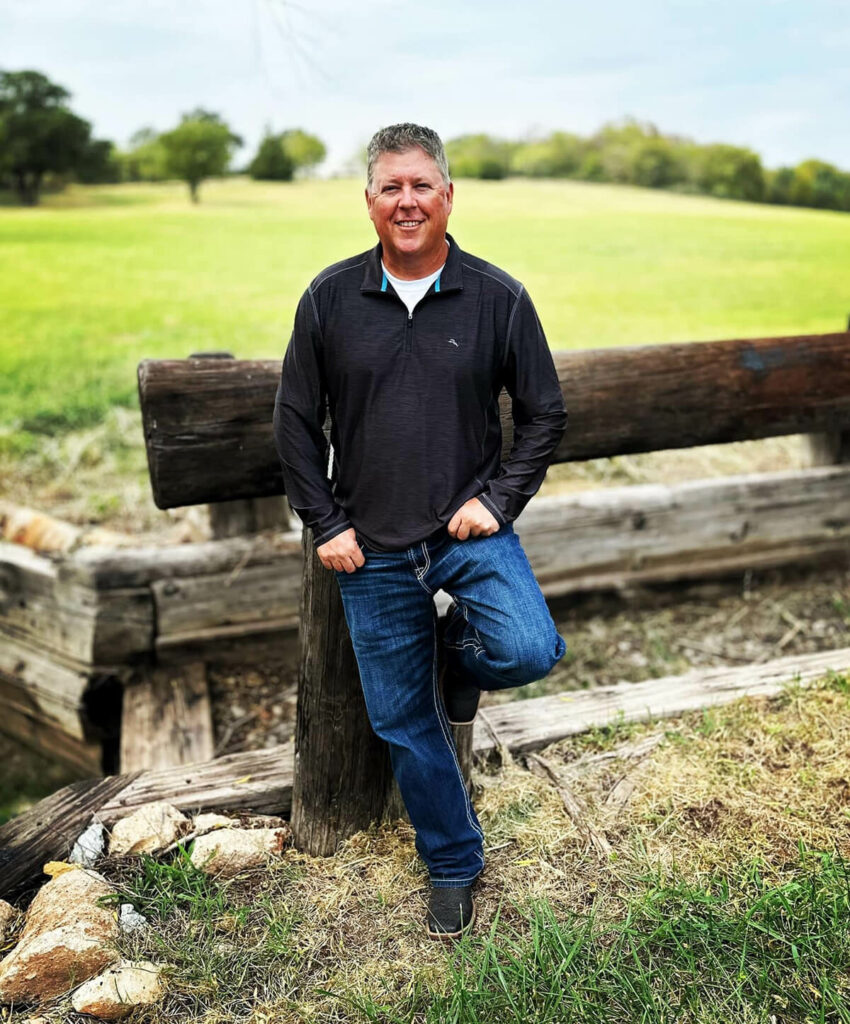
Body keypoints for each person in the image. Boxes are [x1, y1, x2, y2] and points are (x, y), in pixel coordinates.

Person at [273, 123, 568, 940]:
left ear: (448, 197)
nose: (407, 201)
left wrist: (501, 501)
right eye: (390, 187)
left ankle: (451, 665)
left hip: (466, 531)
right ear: (369, 200)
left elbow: (545, 415)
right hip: (366, 544)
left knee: (528, 649)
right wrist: (324, 522)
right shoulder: (329, 299)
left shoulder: (497, 296)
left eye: (421, 186)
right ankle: (452, 864)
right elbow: (295, 422)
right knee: (403, 721)